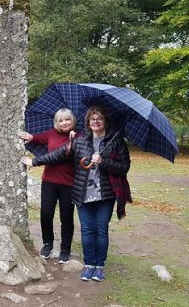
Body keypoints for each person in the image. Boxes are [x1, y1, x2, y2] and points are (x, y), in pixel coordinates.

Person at [21, 106, 130, 282]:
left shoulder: (116, 142)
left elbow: (124, 168)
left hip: (105, 195)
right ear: (88, 122)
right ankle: (88, 265)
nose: (96, 121)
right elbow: (59, 154)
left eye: (99, 118)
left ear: (105, 121)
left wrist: (104, 161)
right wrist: (35, 161)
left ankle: (99, 266)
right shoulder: (80, 140)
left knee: (101, 230)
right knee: (87, 230)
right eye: (92, 118)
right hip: (83, 192)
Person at [18, 108, 77, 263]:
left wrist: (73, 141)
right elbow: (37, 138)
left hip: (69, 184)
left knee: (66, 217)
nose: (64, 123)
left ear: (72, 121)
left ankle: (65, 249)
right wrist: (29, 136)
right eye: (61, 120)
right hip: (49, 182)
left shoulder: (79, 137)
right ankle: (47, 243)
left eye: (67, 119)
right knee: (46, 214)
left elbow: (61, 156)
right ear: (56, 123)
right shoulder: (51, 134)